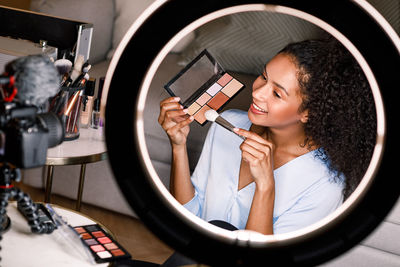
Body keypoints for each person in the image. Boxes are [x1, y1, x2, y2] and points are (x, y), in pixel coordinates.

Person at [158, 38, 376, 236]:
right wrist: (178, 146)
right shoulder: (227, 123)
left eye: (277, 93)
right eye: (264, 76)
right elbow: (189, 218)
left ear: (309, 113)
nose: (257, 92)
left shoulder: (325, 185)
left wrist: (265, 187)